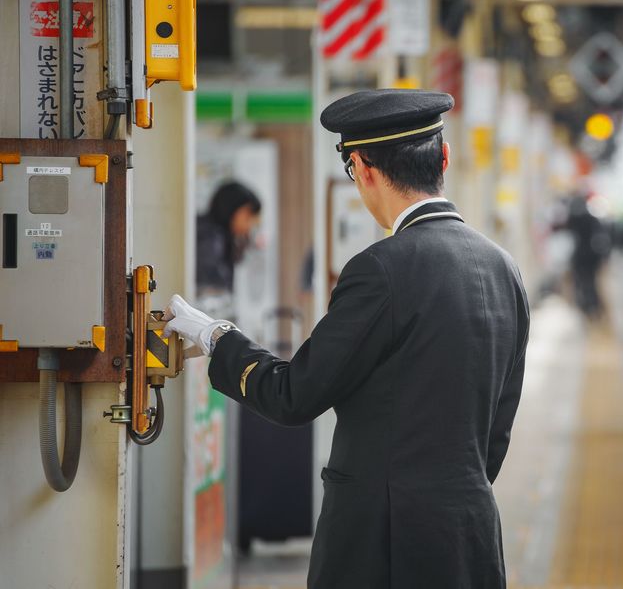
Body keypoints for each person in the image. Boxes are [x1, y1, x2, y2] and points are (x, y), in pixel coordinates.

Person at [164, 89, 530, 588]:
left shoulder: (380, 270)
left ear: (362, 168)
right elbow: (497, 432)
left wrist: (216, 336)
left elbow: (294, 395)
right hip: (470, 536)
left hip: (380, 543)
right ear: (443, 157)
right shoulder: (503, 268)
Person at [196, 181, 262, 297]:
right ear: (230, 208)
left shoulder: (221, 236)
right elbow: (212, 286)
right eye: (248, 216)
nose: (250, 225)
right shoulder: (211, 239)